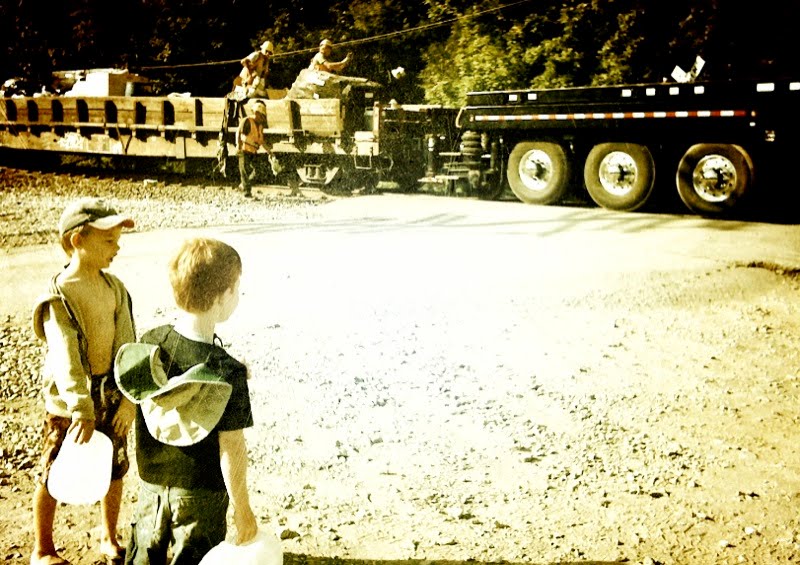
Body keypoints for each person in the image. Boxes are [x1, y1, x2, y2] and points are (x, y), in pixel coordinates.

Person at [120, 237, 257, 564]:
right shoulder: (227, 372)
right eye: (236, 289)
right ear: (222, 297)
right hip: (202, 494)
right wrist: (243, 510)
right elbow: (232, 447)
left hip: (151, 485)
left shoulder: (150, 343)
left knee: (142, 557)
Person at [30, 197, 137, 565]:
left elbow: (128, 345)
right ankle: (43, 548)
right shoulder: (59, 294)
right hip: (69, 402)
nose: (116, 248)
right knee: (54, 468)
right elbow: (66, 357)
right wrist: (81, 408)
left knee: (114, 466)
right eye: (108, 240)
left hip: (111, 393)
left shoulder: (115, 288)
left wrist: (129, 399)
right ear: (77, 240)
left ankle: (109, 535)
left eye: (117, 240)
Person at [236, 100, 270, 197]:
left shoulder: (260, 126)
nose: (262, 119)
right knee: (244, 171)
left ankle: (244, 185)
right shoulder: (247, 121)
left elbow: (261, 141)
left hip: (253, 151)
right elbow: (240, 134)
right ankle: (247, 192)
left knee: (257, 170)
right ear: (256, 113)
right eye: (261, 116)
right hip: (244, 150)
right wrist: (238, 146)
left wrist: (269, 152)